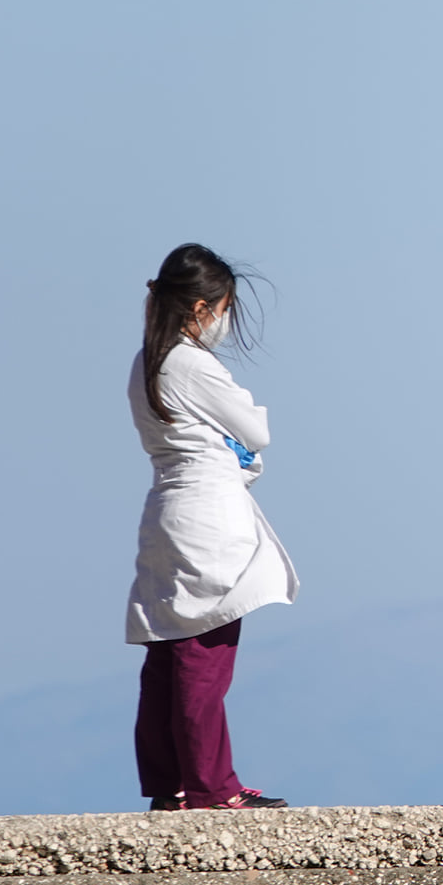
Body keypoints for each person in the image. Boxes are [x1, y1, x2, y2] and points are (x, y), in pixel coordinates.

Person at [126, 244, 295, 811]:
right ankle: (212, 787)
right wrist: (243, 445)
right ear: (202, 307)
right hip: (207, 516)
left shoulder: (146, 360)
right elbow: (255, 431)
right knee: (205, 651)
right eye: (224, 308)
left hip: (166, 510)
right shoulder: (193, 363)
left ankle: (171, 783)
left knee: (170, 650)